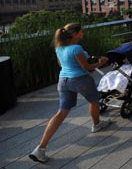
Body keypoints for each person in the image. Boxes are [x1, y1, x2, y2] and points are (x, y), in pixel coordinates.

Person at [29, 23, 111, 163]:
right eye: (81, 32)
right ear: (74, 34)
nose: (83, 34)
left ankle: (40, 149)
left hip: (63, 81)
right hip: (80, 79)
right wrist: (101, 62)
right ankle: (96, 125)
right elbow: (86, 68)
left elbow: (62, 65)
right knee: (94, 101)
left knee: (61, 112)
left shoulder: (59, 47)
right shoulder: (76, 48)